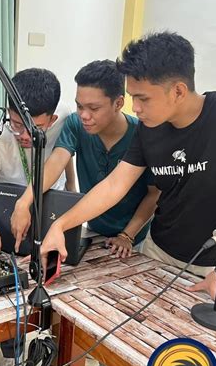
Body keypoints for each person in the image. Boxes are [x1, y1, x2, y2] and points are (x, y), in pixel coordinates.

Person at [41, 32, 216, 310]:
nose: (136, 108)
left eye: (143, 98)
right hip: (159, 251)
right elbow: (114, 186)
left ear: (178, 91)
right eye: (133, 97)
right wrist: (60, 225)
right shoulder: (149, 128)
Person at [11, 60, 159, 256]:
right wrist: (24, 202)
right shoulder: (75, 124)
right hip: (94, 230)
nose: (84, 115)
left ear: (118, 103)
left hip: (134, 239)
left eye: (93, 108)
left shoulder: (142, 135)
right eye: (79, 106)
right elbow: (56, 162)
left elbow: (153, 194)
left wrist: (127, 236)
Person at [0, 67, 75, 252]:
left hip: (52, 204)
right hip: (8, 209)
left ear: (52, 120)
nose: (24, 135)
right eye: (17, 124)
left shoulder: (64, 115)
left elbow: (65, 151)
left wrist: (71, 188)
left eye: (35, 128)